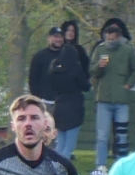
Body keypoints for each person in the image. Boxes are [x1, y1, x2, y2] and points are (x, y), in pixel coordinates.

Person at [28, 25, 91, 159]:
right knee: (61, 142)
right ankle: (56, 165)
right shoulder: (41, 57)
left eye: (60, 37)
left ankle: (53, 163)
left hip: (59, 103)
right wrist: (37, 99)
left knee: (59, 142)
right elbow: (33, 80)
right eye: (55, 36)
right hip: (57, 103)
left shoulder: (55, 69)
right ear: (49, 38)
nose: (58, 39)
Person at [90, 18, 135, 167]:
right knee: (102, 136)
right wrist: (99, 66)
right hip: (103, 100)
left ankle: (121, 165)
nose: (110, 42)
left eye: (113, 39)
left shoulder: (128, 50)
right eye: (108, 39)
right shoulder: (100, 49)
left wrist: (128, 85)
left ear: (119, 38)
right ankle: (100, 166)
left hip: (121, 101)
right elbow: (92, 71)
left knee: (122, 135)